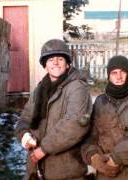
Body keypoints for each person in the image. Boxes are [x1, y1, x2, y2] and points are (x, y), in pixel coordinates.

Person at [15, 39, 93, 180]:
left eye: (60, 59)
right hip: (36, 170)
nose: (55, 63)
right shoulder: (40, 89)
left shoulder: (77, 88)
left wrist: (44, 149)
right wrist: (24, 135)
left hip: (65, 172)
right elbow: (25, 118)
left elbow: (74, 125)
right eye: (51, 59)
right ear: (45, 65)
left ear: (68, 64)